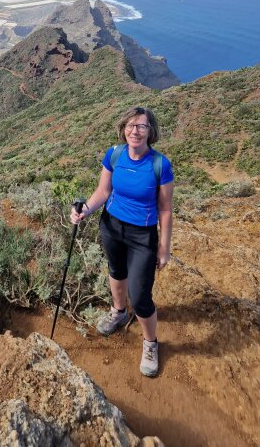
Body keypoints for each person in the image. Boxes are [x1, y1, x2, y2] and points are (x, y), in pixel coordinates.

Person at [70, 106, 174, 377]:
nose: (135, 131)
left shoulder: (160, 164)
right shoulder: (114, 155)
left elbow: (165, 208)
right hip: (112, 226)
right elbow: (103, 191)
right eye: (130, 125)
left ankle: (150, 343)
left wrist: (164, 246)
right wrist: (84, 210)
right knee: (116, 272)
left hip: (143, 235)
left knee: (140, 296)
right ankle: (118, 312)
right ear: (123, 129)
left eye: (141, 126)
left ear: (151, 131)